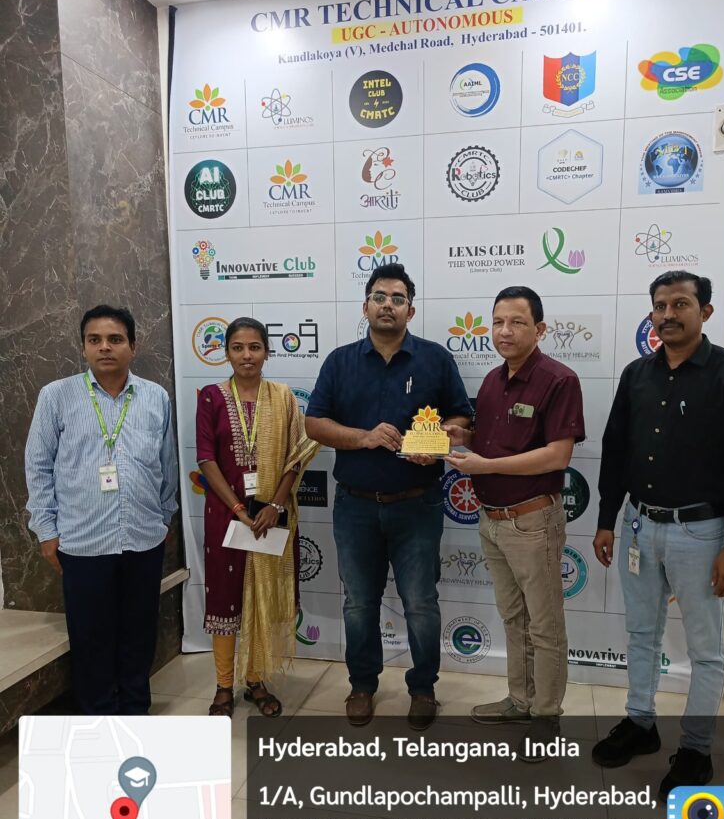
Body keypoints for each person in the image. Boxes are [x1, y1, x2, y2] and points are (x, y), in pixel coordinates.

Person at [592, 271, 724, 799]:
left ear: (704, 311)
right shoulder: (636, 375)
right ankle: (640, 723)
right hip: (639, 525)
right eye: (660, 306)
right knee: (641, 634)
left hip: (703, 533)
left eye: (681, 304)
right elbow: (615, 450)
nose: (668, 314)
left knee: (705, 650)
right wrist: (606, 519)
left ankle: (695, 749)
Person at [305, 263, 472, 729]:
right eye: (379, 297)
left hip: (418, 504)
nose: (388, 305)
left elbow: (463, 419)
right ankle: (362, 685)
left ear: (410, 311)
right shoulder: (339, 362)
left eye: (398, 299)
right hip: (355, 505)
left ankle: (423, 688)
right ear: (365, 306)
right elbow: (314, 423)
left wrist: (437, 441)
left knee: (420, 602)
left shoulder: (435, 359)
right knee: (359, 602)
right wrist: (364, 438)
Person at [444, 286, 585, 757]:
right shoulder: (491, 379)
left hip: (532, 520)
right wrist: (462, 435)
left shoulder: (559, 380)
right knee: (513, 618)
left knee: (545, 625)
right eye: (498, 321)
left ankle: (546, 716)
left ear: (539, 329)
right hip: (491, 520)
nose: (505, 331)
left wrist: (484, 466)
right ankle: (520, 700)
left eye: (517, 322)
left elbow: (557, 455)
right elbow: (491, 438)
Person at [25, 305, 178, 715]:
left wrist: (164, 516)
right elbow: (37, 465)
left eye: (115, 339)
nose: (105, 347)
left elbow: (167, 463)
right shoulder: (57, 396)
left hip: (143, 538)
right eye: (95, 340)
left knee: (139, 633)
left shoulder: (155, 397)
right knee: (91, 637)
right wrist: (46, 531)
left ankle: (134, 710)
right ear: (83, 348)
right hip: (82, 540)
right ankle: (98, 717)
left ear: (133, 346)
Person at [196, 317, 317, 718]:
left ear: (267, 351)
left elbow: (295, 457)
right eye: (237, 348)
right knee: (225, 601)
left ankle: (256, 680)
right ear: (226, 353)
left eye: (254, 347)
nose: (246, 355)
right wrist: (237, 509)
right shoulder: (211, 397)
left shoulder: (283, 397)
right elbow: (206, 459)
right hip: (225, 516)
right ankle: (223, 685)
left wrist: (275, 506)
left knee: (262, 599)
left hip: (270, 517)